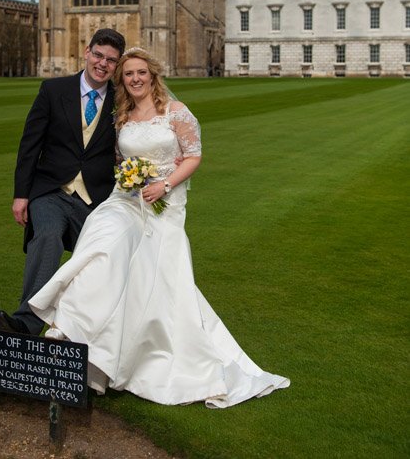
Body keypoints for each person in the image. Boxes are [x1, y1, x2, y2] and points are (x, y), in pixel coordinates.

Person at [28, 47, 290, 408]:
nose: (135, 79)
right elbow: (118, 161)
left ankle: (100, 359)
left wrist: (164, 185)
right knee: (103, 243)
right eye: (129, 75)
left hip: (163, 205)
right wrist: (130, 179)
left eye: (141, 73)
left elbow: (194, 156)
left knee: (149, 275)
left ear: (153, 76)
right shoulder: (121, 115)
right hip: (125, 199)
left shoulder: (176, 112)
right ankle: (69, 335)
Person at [0, 28, 126, 336]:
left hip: (95, 198)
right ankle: (26, 322)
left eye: (111, 60)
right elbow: (30, 146)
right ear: (86, 52)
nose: (102, 64)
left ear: (116, 65)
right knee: (48, 236)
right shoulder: (53, 90)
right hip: (51, 190)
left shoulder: (122, 101)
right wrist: (20, 195)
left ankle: (85, 335)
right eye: (98, 55)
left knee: (100, 260)